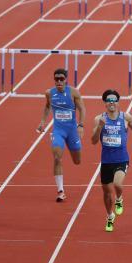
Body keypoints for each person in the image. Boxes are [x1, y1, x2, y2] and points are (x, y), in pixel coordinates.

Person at [91, 90, 132, 232]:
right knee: (107, 193)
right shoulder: (99, 119)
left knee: (117, 184)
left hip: (121, 159)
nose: (112, 102)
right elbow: (93, 141)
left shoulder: (125, 117)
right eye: (109, 100)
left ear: (118, 102)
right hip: (106, 161)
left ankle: (119, 199)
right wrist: (100, 127)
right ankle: (110, 216)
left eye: (114, 100)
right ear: (105, 103)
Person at [37, 69, 86, 202]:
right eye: (56, 79)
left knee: (77, 161)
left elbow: (82, 109)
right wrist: (42, 122)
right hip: (58, 131)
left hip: (72, 131)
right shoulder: (49, 93)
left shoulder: (73, 92)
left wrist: (81, 125)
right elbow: (47, 106)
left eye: (61, 79)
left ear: (66, 80)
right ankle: (60, 191)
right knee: (57, 157)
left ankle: (71, 147)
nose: (59, 81)